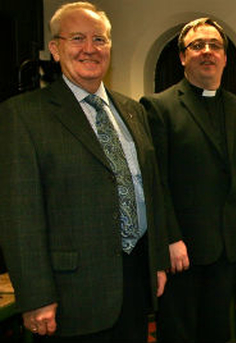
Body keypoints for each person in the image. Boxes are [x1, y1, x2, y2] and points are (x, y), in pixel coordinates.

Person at [0, 2, 169, 342]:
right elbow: (20, 216)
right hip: (71, 294)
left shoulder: (133, 111)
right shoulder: (24, 115)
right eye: (78, 38)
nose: (90, 48)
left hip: (135, 281)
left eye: (99, 39)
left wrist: (157, 261)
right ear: (55, 48)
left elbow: (150, 191)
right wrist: (36, 296)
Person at [139, 18, 236, 343]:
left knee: (217, 332)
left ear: (225, 57)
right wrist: (170, 238)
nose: (207, 52)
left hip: (227, 247)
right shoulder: (159, 107)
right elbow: (156, 183)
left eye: (215, 46)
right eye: (198, 46)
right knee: (179, 334)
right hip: (183, 249)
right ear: (183, 57)